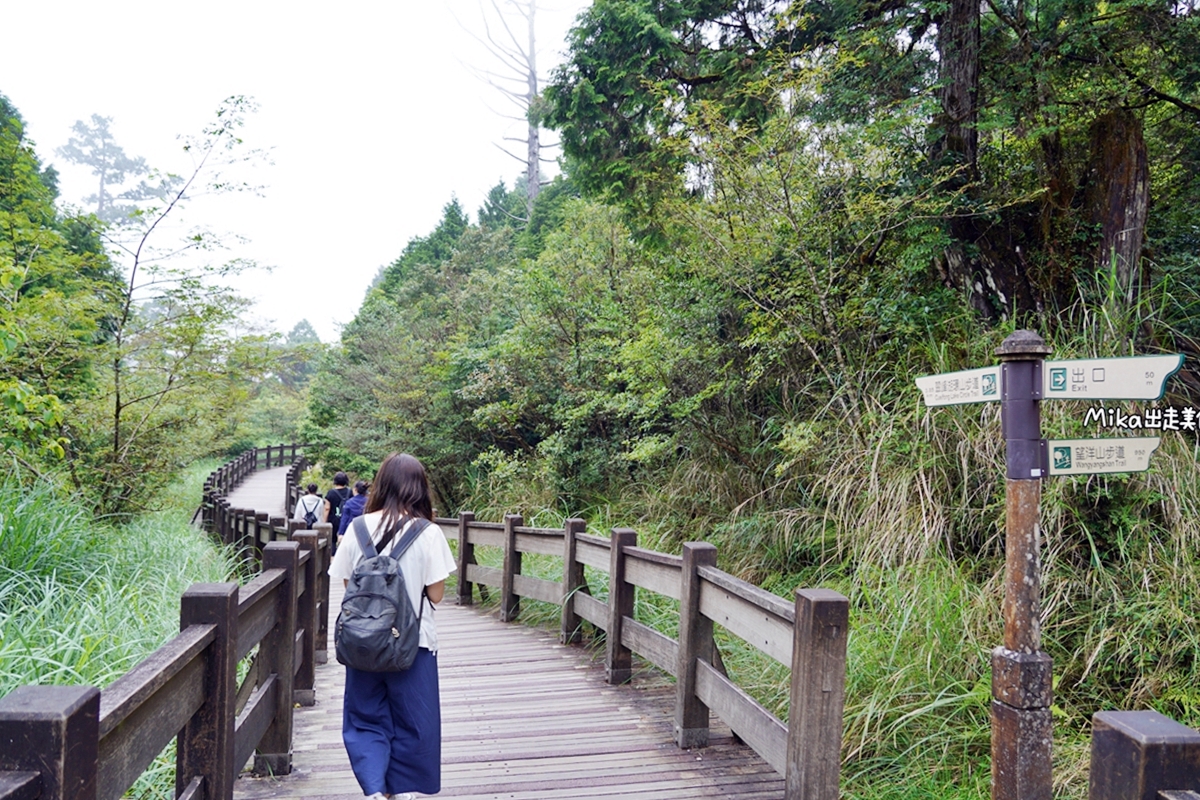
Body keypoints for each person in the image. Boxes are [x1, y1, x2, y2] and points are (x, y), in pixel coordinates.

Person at [328, 453, 456, 800]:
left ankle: (373, 789)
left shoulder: (357, 529)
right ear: (419, 488)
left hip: (362, 644)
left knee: (365, 718)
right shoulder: (428, 533)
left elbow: (346, 585)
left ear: (381, 484)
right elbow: (437, 594)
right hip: (415, 643)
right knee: (414, 722)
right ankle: (404, 792)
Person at [323, 471, 352, 549]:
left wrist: (324, 522)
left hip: (333, 520)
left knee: (332, 540)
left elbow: (327, 508)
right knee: (346, 540)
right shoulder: (350, 492)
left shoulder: (331, 493)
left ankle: (332, 556)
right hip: (346, 520)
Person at [337, 479, 369, 546]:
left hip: (351, 529)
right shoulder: (369, 502)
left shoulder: (349, 502)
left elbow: (344, 519)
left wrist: (341, 533)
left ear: (355, 490)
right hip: (366, 531)